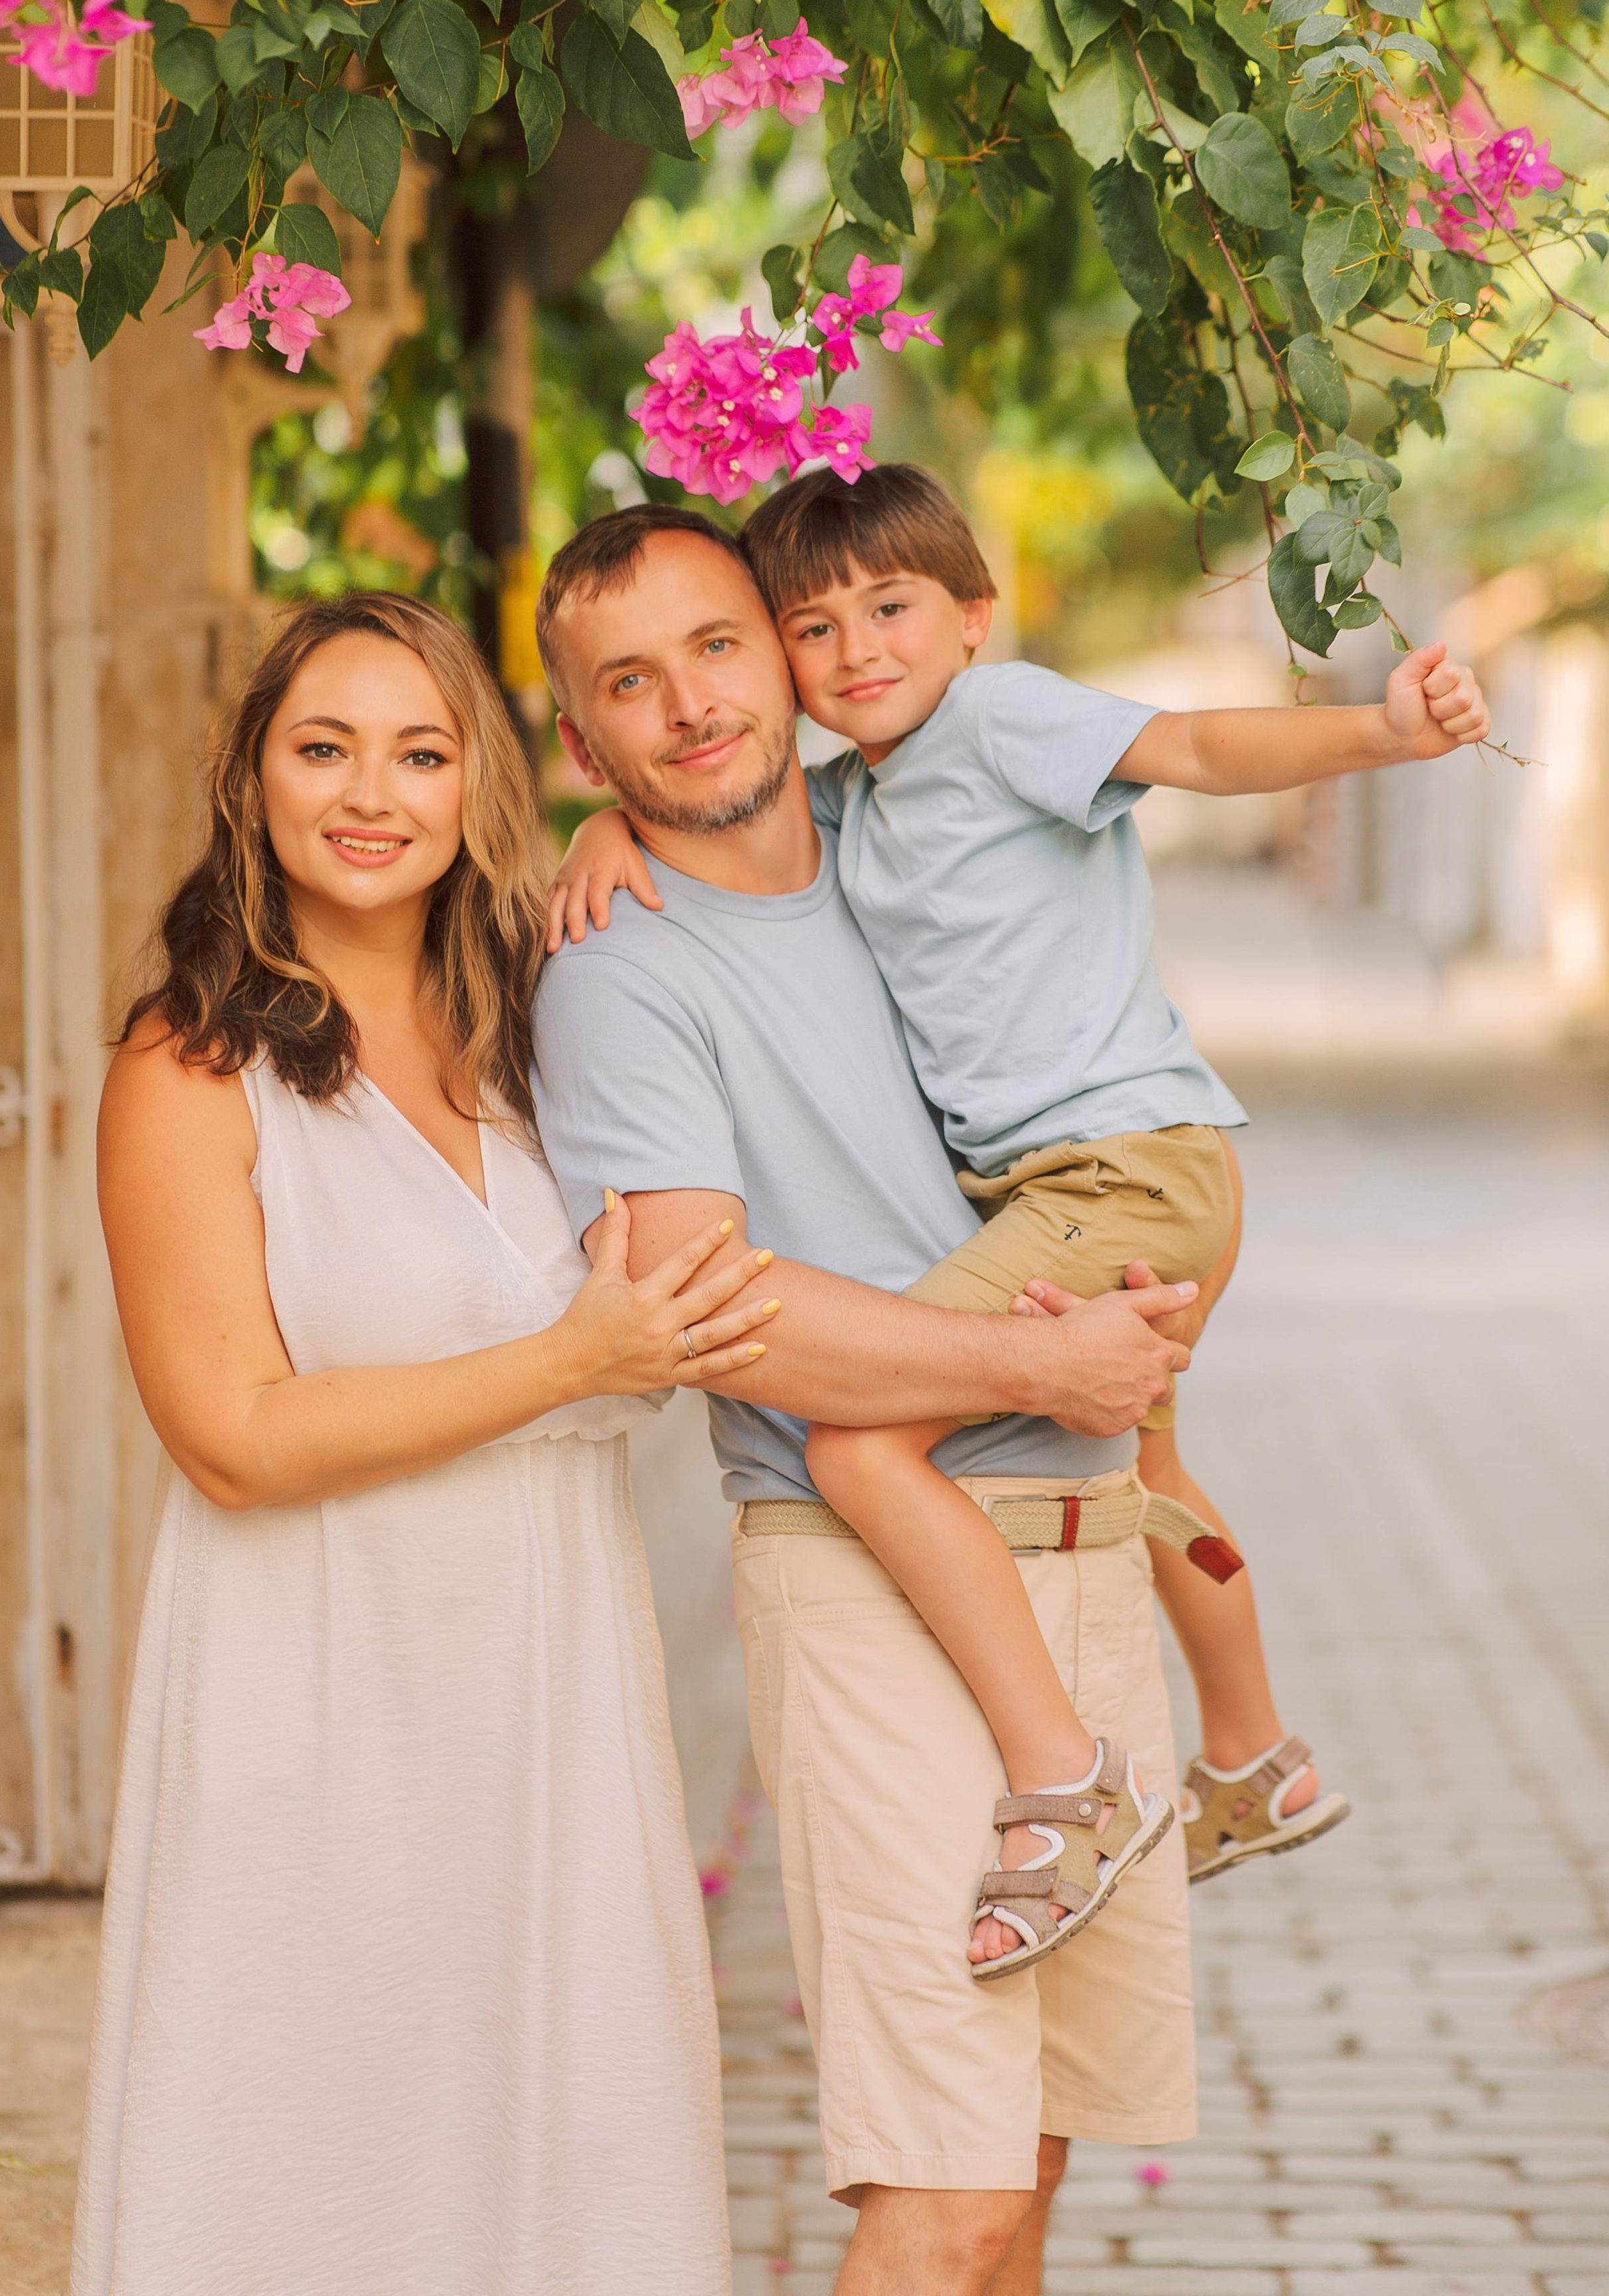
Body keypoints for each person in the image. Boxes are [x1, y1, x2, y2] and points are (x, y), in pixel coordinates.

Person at [549, 465, 1491, 1980]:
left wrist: (1378, 734)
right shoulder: (851, 797)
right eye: (811, 624)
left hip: (1121, 1169)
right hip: (1096, 1182)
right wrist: (607, 830)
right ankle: (1253, 1756)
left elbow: (1189, 743)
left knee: (857, 1442)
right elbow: (714, 803)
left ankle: (1062, 1776)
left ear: (972, 616)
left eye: (892, 607)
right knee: (1153, 1462)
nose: (855, 649)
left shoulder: (996, 726)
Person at [71, 592, 778, 2296]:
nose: (369, 793)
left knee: (564, 2142)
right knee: (311, 2150)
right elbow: (231, 1436)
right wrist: (565, 1361)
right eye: (323, 749)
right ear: (251, 779)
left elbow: (792, 895)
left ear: (477, 784)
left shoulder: (552, 1018)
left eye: (419, 751)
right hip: (315, 1683)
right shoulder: (191, 1068)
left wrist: (624, 817)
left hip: (548, 1677)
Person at [530, 506, 1203, 2296]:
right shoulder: (619, 967)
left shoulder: (901, 837)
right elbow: (711, 1318)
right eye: (627, 687)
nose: (686, 709)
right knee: (943, 2190)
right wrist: (1041, 1363)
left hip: (1074, 1538)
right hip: (867, 1573)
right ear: (583, 737)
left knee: (1030, 2173)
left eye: (717, 648)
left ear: (786, 649)